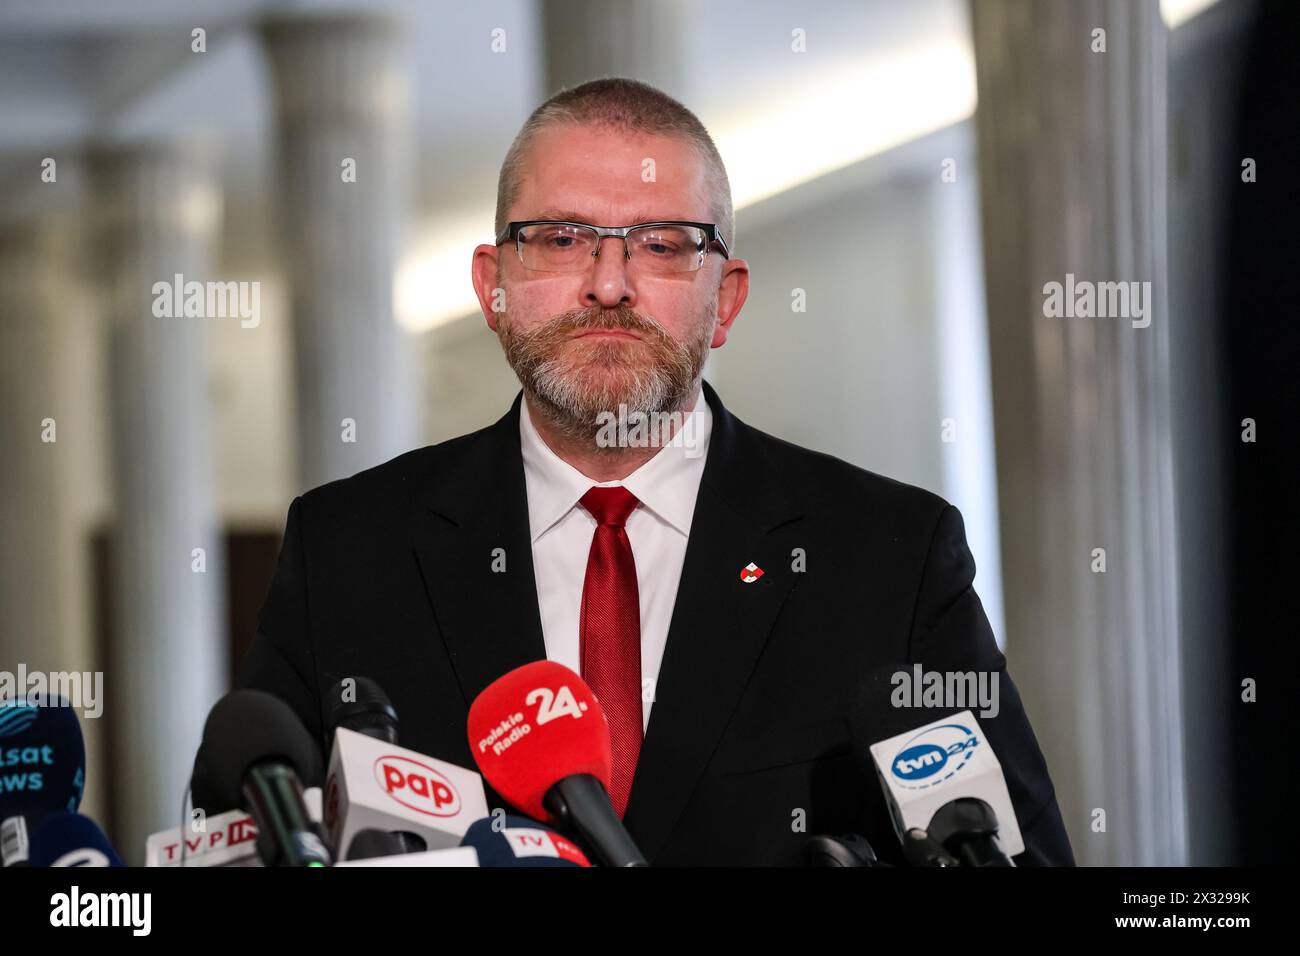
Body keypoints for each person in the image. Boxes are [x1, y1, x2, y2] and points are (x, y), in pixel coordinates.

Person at [238, 77, 1073, 866]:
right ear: (493, 289)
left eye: (664, 244)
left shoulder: (890, 557)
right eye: (561, 239)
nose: (608, 284)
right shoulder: (345, 551)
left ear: (727, 299)